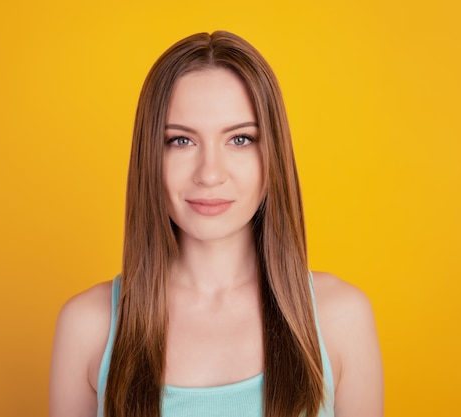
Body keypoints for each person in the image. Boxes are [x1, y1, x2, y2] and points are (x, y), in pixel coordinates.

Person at [49, 31, 383, 417]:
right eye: (181, 141)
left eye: (240, 139)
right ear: (148, 156)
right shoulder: (88, 327)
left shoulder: (340, 318)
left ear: (273, 153)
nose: (210, 174)